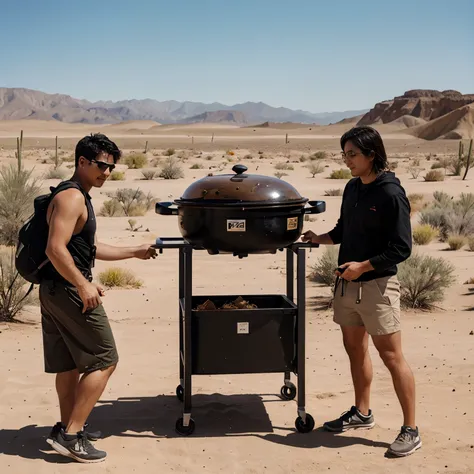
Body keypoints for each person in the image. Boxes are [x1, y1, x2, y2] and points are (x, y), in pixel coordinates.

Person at [302, 126, 421, 457]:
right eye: (344, 154)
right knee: (355, 350)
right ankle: (362, 412)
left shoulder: (390, 194)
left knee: (391, 356)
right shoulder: (353, 187)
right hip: (347, 286)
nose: (347, 160)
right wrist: (319, 238)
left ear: (372, 154)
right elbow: (343, 230)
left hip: (377, 287)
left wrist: (363, 266)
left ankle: (411, 429)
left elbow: (401, 248)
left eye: (352, 154)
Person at [40, 133, 157, 463]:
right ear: (81, 162)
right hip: (67, 291)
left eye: (111, 166)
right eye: (101, 165)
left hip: (54, 289)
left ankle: (66, 426)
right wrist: (82, 284)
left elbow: (86, 249)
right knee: (105, 358)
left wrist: (133, 251)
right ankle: (73, 435)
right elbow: (55, 248)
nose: (107, 172)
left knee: (69, 363)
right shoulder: (72, 198)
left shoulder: (76, 195)